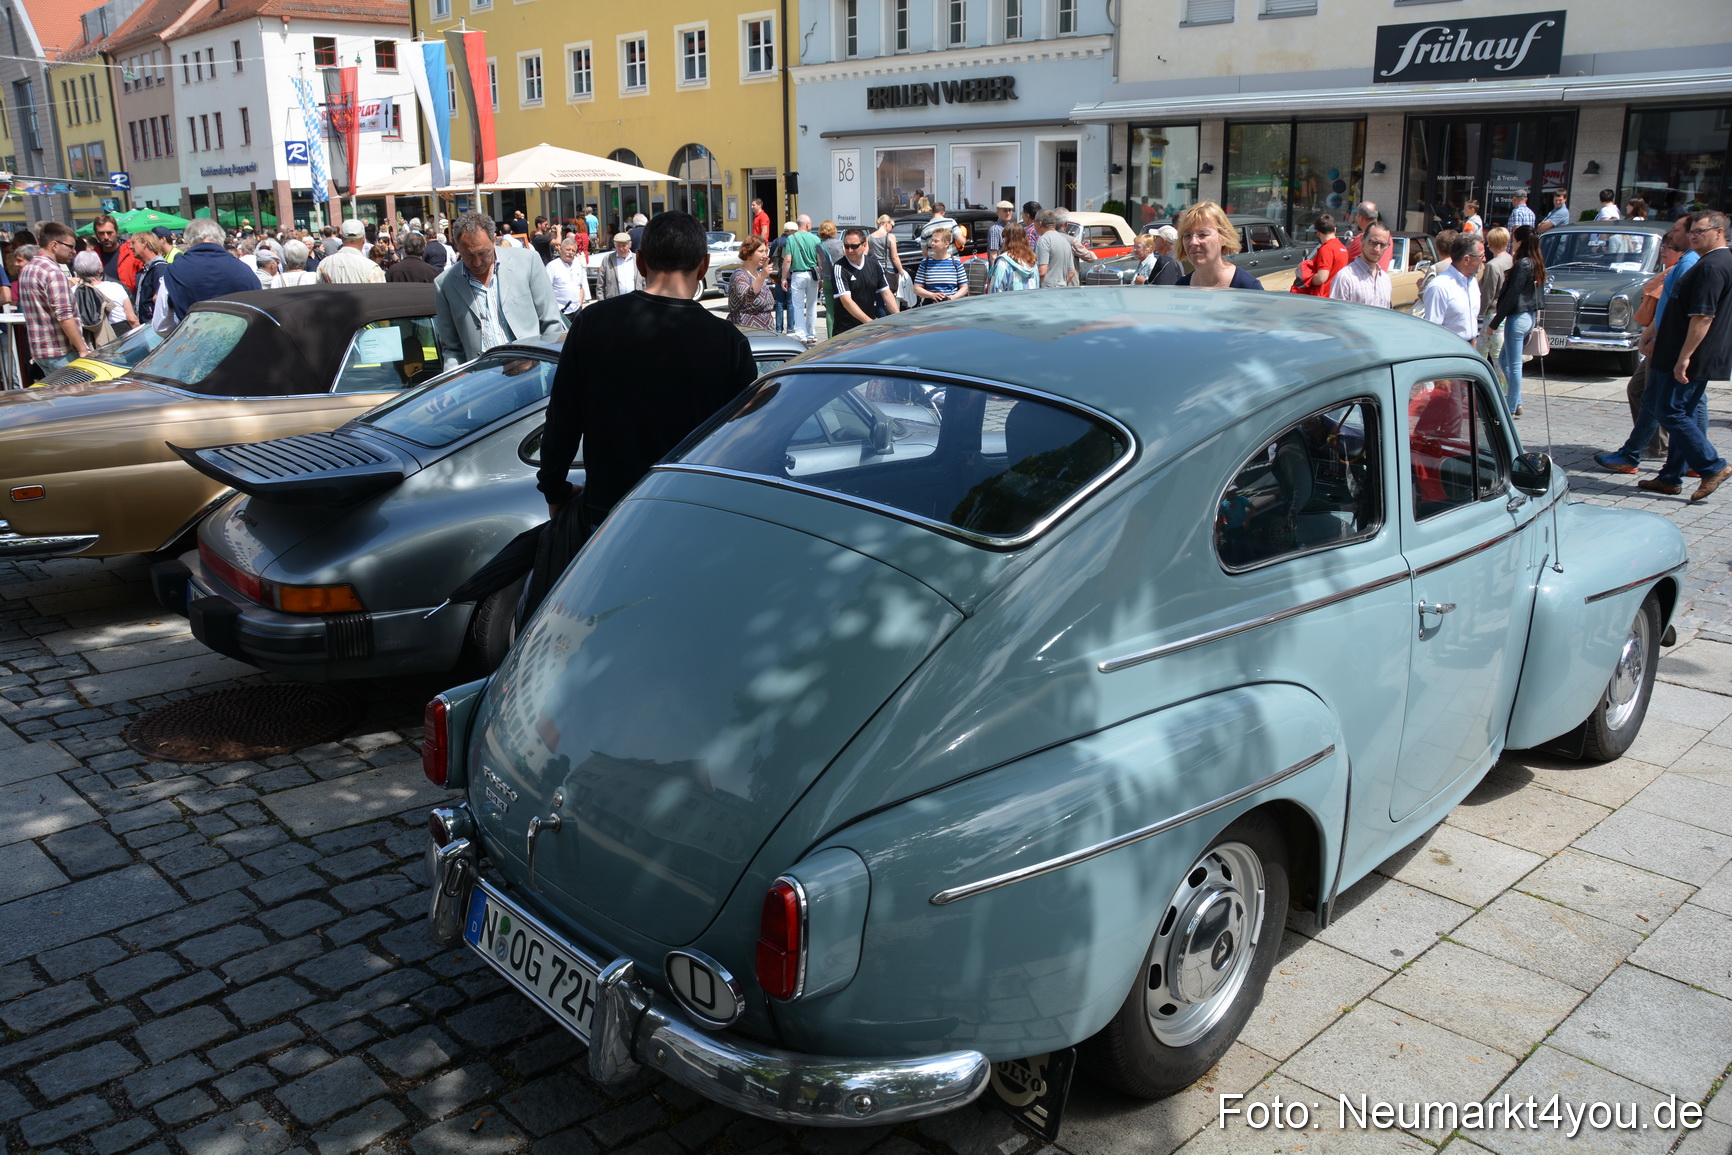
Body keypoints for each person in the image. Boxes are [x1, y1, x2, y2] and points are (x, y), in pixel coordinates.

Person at [537, 209, 755, 535]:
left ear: (640, 263)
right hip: (692, 515)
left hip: (609, 513)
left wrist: (554, 488)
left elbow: (562, 418)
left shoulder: (592, 323)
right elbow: (743, 442)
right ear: (704, 266)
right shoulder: (729, 343)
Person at [1635, 211, 1732, 501]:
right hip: (1688, 351)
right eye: (1691, 231)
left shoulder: (1712, 266)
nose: (1692, 236)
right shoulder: (1711, 262)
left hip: (1691, 353)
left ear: (1719, 232)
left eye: (1699, 231)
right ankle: (1670, 477)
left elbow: (1702, 316)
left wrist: (1684, 357)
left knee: (1670, 411)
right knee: (1681, 411)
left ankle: (1712, 466)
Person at [1597, 218, 1698, 473]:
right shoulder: (1681, 266)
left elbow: (1682, 312)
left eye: (1673, 237)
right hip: (1665, 340)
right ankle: (1690, 460)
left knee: (1660, 400)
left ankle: (1642, 454)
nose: (1665, 247)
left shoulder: (1688, 265)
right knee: (1650, 394)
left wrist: (1653, 337)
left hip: (1669, 344)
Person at [432, 210, 565, 370]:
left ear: (494, 240)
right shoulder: (444, 284)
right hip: (482, 379)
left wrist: (548, 369)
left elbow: (551, 324)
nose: (477, 262)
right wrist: (454, 383)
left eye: (483, 253)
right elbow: (452, 348)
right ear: (456, 245)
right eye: (469, 255)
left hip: (534, 373)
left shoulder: (528, 262)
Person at [154, 217, 260, 333]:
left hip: (194, 339)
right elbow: (259, 312)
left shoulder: (173, 271)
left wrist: (183, 334)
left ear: (188, 241)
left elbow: (161, 326)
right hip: (240, 339)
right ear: (220, 238)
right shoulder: (244, 270)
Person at [1488, 224, 1546, 416]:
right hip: (1528, 316)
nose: (1511, 243)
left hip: (1518, 316)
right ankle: (1516, 400)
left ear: (1520, 242)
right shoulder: (1536, 261)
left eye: (1513, 240)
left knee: (1513, 364)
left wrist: (1495, 322)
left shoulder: (1524, 264)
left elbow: (1513, 294)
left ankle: (1511, 406)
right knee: (1504, 359)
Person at [20, 222, 89, 371]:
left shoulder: (28, 269)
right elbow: (64, 316)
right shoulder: (53, 272)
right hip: (61, 351)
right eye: (70, 246)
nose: (74, 251)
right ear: (54, 245)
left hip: (41, 351)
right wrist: (82, 349)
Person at [1177, 201, 1263, 290]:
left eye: (1203, 234)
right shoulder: (1181, 286)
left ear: (1224, 237)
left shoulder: (1248, 287)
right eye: (1188, 235)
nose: (1193, 242)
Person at [832, 226, 898, 334]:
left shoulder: (874, 264)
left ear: (864, 245)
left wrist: (898, 317)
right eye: (846, 246)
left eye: (854, 246)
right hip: (846, 330)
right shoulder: (839, 268)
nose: (850, 250)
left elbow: (886, 293)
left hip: (868, 329)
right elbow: (847, 301)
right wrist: (870, 322)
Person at [1418, 233, 1484, 341]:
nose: (1484, 259)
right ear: (1466, 259)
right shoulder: (1439, 287)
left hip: (1468, 347)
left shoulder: (1472, 282)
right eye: (1481, 256)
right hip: (1448, 347)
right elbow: (1433, 330)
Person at [72, 250, 137, 342]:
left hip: (92, 340)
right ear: (100, 268)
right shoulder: (115, 287)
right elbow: (132, 319)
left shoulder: (73, 292)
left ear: (77, 271)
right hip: (123, 337)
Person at [1329, 223, 1393, 307]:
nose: (1377, 249)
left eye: (1383, 245)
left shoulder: (1385, 279)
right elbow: (1336, 312)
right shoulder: (1345, 277)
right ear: (1362, 240)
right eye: (1373, 242)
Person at [780, 215, 822, 342]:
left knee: (798, 306)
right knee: (812, 305)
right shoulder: (816, 238)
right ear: (807, 225)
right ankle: (811, 334)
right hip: (813, 275)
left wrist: (783, 278)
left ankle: (801, 335)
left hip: (798, 275)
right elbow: (820, 260)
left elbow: (788, 259)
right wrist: (821, 278)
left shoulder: (792, 238)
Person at [727, 235, 776, 329]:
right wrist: (762, 277)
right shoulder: (739, 275)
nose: (765, 255)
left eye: (766, 251)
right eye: (761, 251)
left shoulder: (758, 274)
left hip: (765, 331)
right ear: (749, 253)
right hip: (746, 330)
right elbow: (748, 299)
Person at [1293, 214, 1348, 296]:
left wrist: (1306, 278)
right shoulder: (1343, 248)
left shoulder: (1326, 248)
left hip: (1324, 297)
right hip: (1337, 296)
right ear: (1335, 230)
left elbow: (1321, 278)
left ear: (1318, 233)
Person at [318, 219, 385, 284]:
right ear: (364, 239)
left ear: (342, 238)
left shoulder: (324, 264)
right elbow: (380, 291)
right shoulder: (372, 268)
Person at [913, 226, 966, 304]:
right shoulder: (925, 263)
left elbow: (964, 287)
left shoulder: (956, 262)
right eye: (932, 240)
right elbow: (917, 288)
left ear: (946, 244)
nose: (932, 243)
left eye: (936, 241)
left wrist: (953, 297)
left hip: (951, 304)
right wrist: (932, 295)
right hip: (931, 305)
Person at [545, 234, 588, 321]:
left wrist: (580, 305)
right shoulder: (552, 266)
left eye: (573, 251)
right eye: (568, 249)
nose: (570, 253)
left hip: (576, 310)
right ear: (561, 250)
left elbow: (580, 287)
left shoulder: (577, 265)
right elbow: (545, 290)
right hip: (560, 312)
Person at [130, 232, 168, 325]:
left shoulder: (160, 269)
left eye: (133, 243)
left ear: (144, 243)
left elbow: (161, 301)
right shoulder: (145, 270)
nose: (131, 247)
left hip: (155, 328)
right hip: (146, 327)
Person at [1034, 210, 1076, 288]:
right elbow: (1071, 272)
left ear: (1040, 224)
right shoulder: (1065, 241)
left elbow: (1042, 271)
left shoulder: (1044, 240)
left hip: (1046, 290)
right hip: (1061, 289)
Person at [817, 220, 845, 337]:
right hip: (840, 280)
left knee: (830, 310)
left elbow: (820, 264)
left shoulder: (819, 246)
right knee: (844, 308)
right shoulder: (840, 244)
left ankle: (830, 337)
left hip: (827, 280)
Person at [1344, 202, 1392, 271]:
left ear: (1360, 218)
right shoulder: (1388, 239)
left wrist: (1347, 248)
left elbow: (1346, 264)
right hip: (1379, 276)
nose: (1378, 249)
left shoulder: (1362, 238)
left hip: (1361, 277)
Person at [868, 215, 907, 298]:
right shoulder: (890, 237)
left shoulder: (869, 237)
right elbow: (894, 257)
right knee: (889, 297)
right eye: (891, 226)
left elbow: (865, 255)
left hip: (875, 269)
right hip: (889, 269)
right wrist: (901, 272)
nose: (891, 229)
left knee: (878, 297)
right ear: (886, 224)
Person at [768, 222, 794, 333]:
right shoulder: (792, 241)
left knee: (779, 302)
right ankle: (791, 328)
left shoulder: (776, 241)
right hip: (790, 274)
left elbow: (770, 257)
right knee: (790, 302)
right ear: (790, 231)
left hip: (778, 275)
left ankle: (779, 328)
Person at [597, 232, 639, 300]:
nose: (621, 248)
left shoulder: (637, 259)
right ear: (615, 245)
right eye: (619, 246)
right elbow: (600, 285)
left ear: (630, 245)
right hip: (614, 302)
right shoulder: (608, 260)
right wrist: (601, 302)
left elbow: (645, 282)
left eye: (624, 245)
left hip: (635, 302)